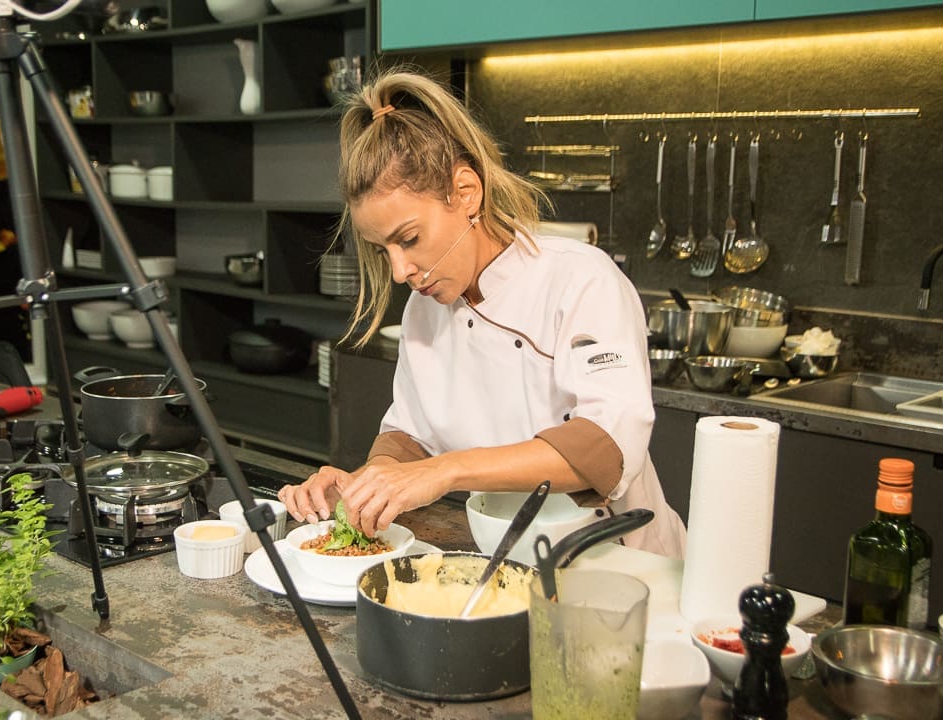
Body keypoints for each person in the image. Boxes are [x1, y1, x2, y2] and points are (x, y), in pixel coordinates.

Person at [277, 69, 686, 558]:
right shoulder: (424, 311)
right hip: (506, 556)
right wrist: (366, 486)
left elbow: (606, 446)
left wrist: (445, 470)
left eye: (409, 239)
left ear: (466, 191)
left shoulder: (580, 278)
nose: (401, 271)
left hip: (620, 561)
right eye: (383, 249)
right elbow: (411, 433)